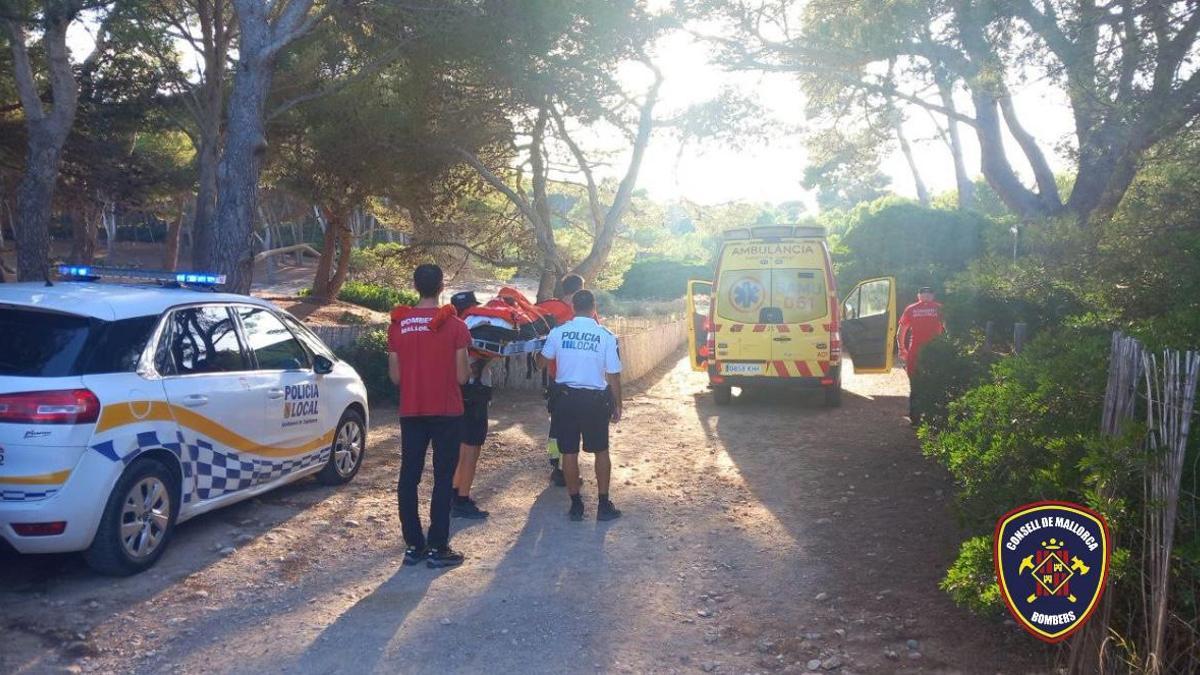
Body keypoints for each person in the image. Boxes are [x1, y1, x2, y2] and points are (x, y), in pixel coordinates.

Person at [387, 264, 471, 568]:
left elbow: (395, 377)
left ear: (415, 285)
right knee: (442, 477)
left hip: (411, 410)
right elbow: (462, 377)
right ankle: (438, 547)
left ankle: (414, 546)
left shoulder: (398, 324)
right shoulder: (456, 325)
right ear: (441, 285)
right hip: (446, 410)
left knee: (408, 476)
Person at [537, 290, 623, 521]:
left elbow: (540, 363)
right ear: (594, 308)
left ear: (573, 307)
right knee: (601, 451)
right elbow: (613, 375)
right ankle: (603, 505)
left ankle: (576, 506)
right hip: (595, 402)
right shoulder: (606, 335)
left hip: (565, 401)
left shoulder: (558, 332)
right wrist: (618, 405)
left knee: (569, 452)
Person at [540, 273, 586, 487]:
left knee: (555, 426)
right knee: (574, 426)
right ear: (579, 290)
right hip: (579, 378)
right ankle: (568, 468)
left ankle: (555, 465)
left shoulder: (550, 309)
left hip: (555, 377)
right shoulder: (585, 312)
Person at [449, 290, 491, 520]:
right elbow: (472, 366)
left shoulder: (450, 329)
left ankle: (454, 493)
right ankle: (462, 500)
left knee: (461, 449)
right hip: (473, 395)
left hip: (458, 396)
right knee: (471, 450)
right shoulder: (472, 331)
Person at [896, 286, 945, 419]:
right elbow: (949, 329)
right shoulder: (939, 308)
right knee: (933, 382)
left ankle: (915, 416)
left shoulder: (911, 309)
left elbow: (901, 331)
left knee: (915, 384)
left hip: (915, 351)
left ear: (919, 296)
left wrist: (901, 349)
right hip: (935, 351)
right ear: (932, 296)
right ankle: (932, 415)